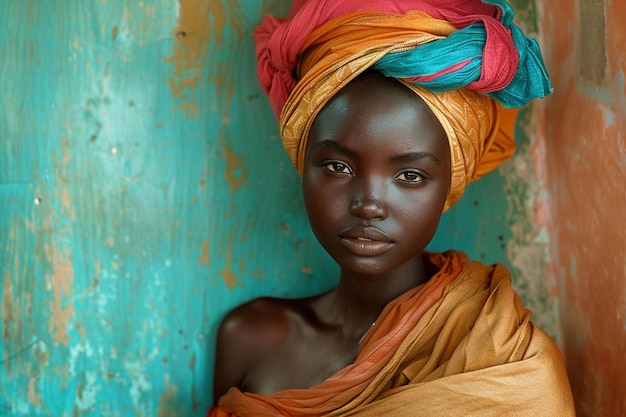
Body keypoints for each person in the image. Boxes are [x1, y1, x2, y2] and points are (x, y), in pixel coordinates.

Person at [209, 0, 575, 415]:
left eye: (410, 176)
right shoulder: (251, 338)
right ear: (303, 166)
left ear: (449, 183)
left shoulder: (507, 364)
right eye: (337, 166)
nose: (368, 205)